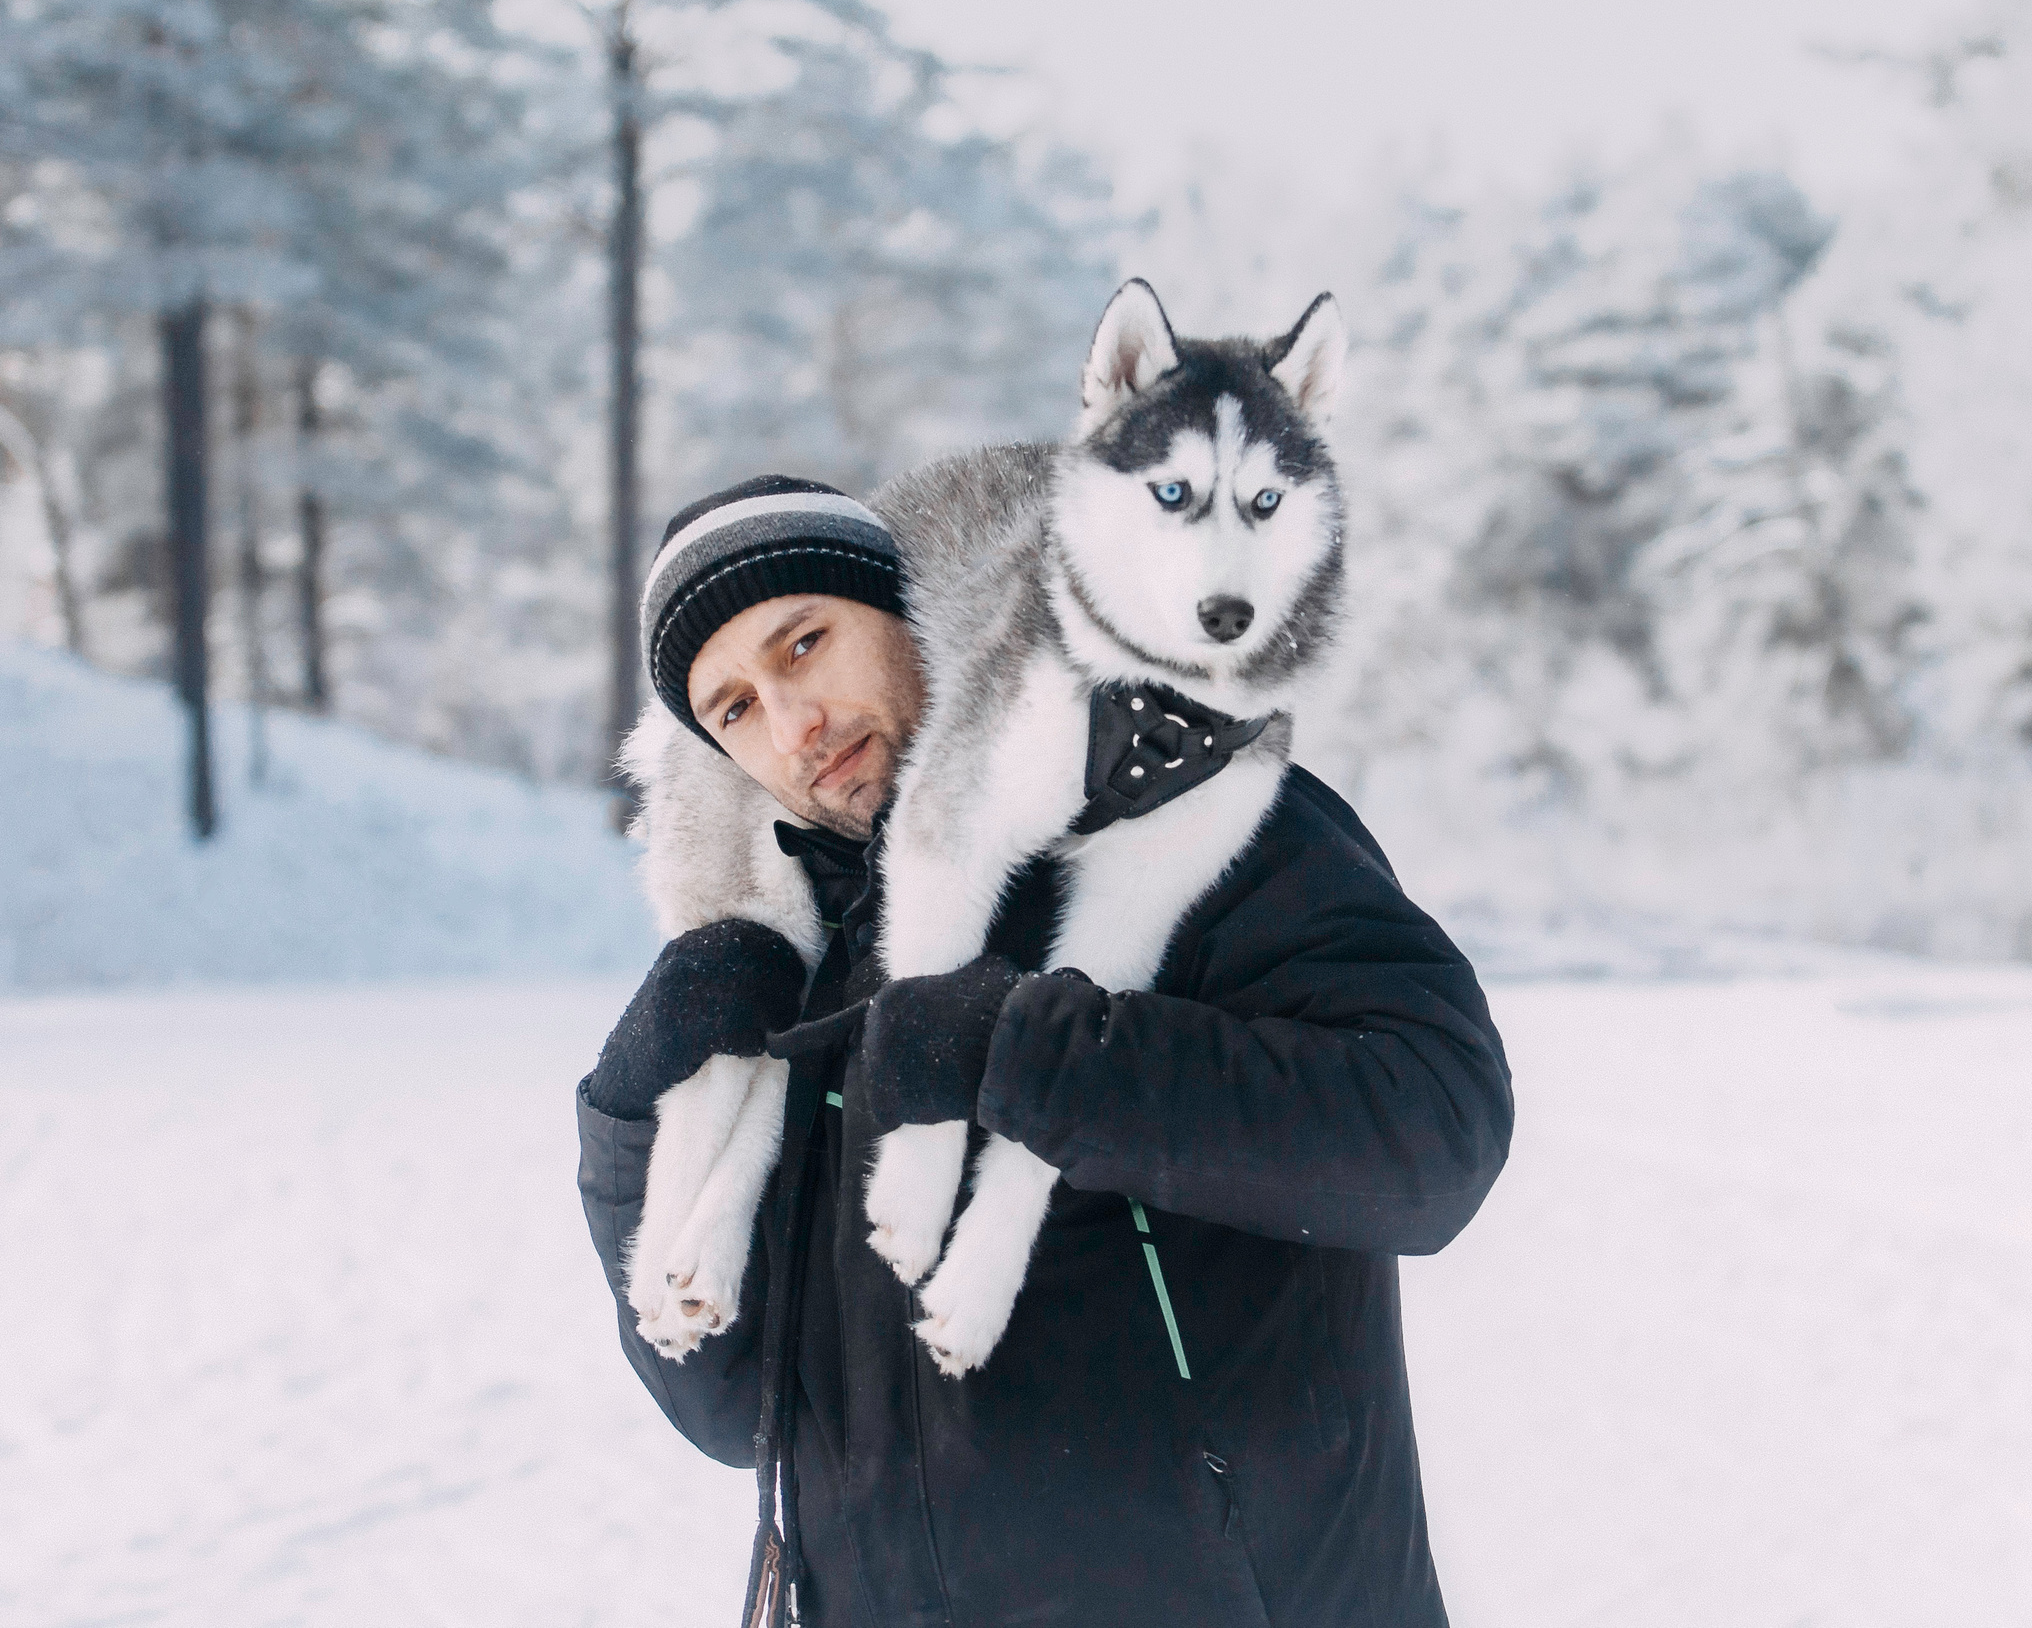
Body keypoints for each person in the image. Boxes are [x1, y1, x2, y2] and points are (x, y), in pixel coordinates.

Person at [576, 475, 1512, 1627]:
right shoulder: (794, 971)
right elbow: (731, 1413)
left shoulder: (1179, 805)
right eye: (734, 709)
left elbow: (1433, 1135)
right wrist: (630, 1123)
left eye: (805, 644)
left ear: (913, 608)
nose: (792, 724)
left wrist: (1030, 1053)